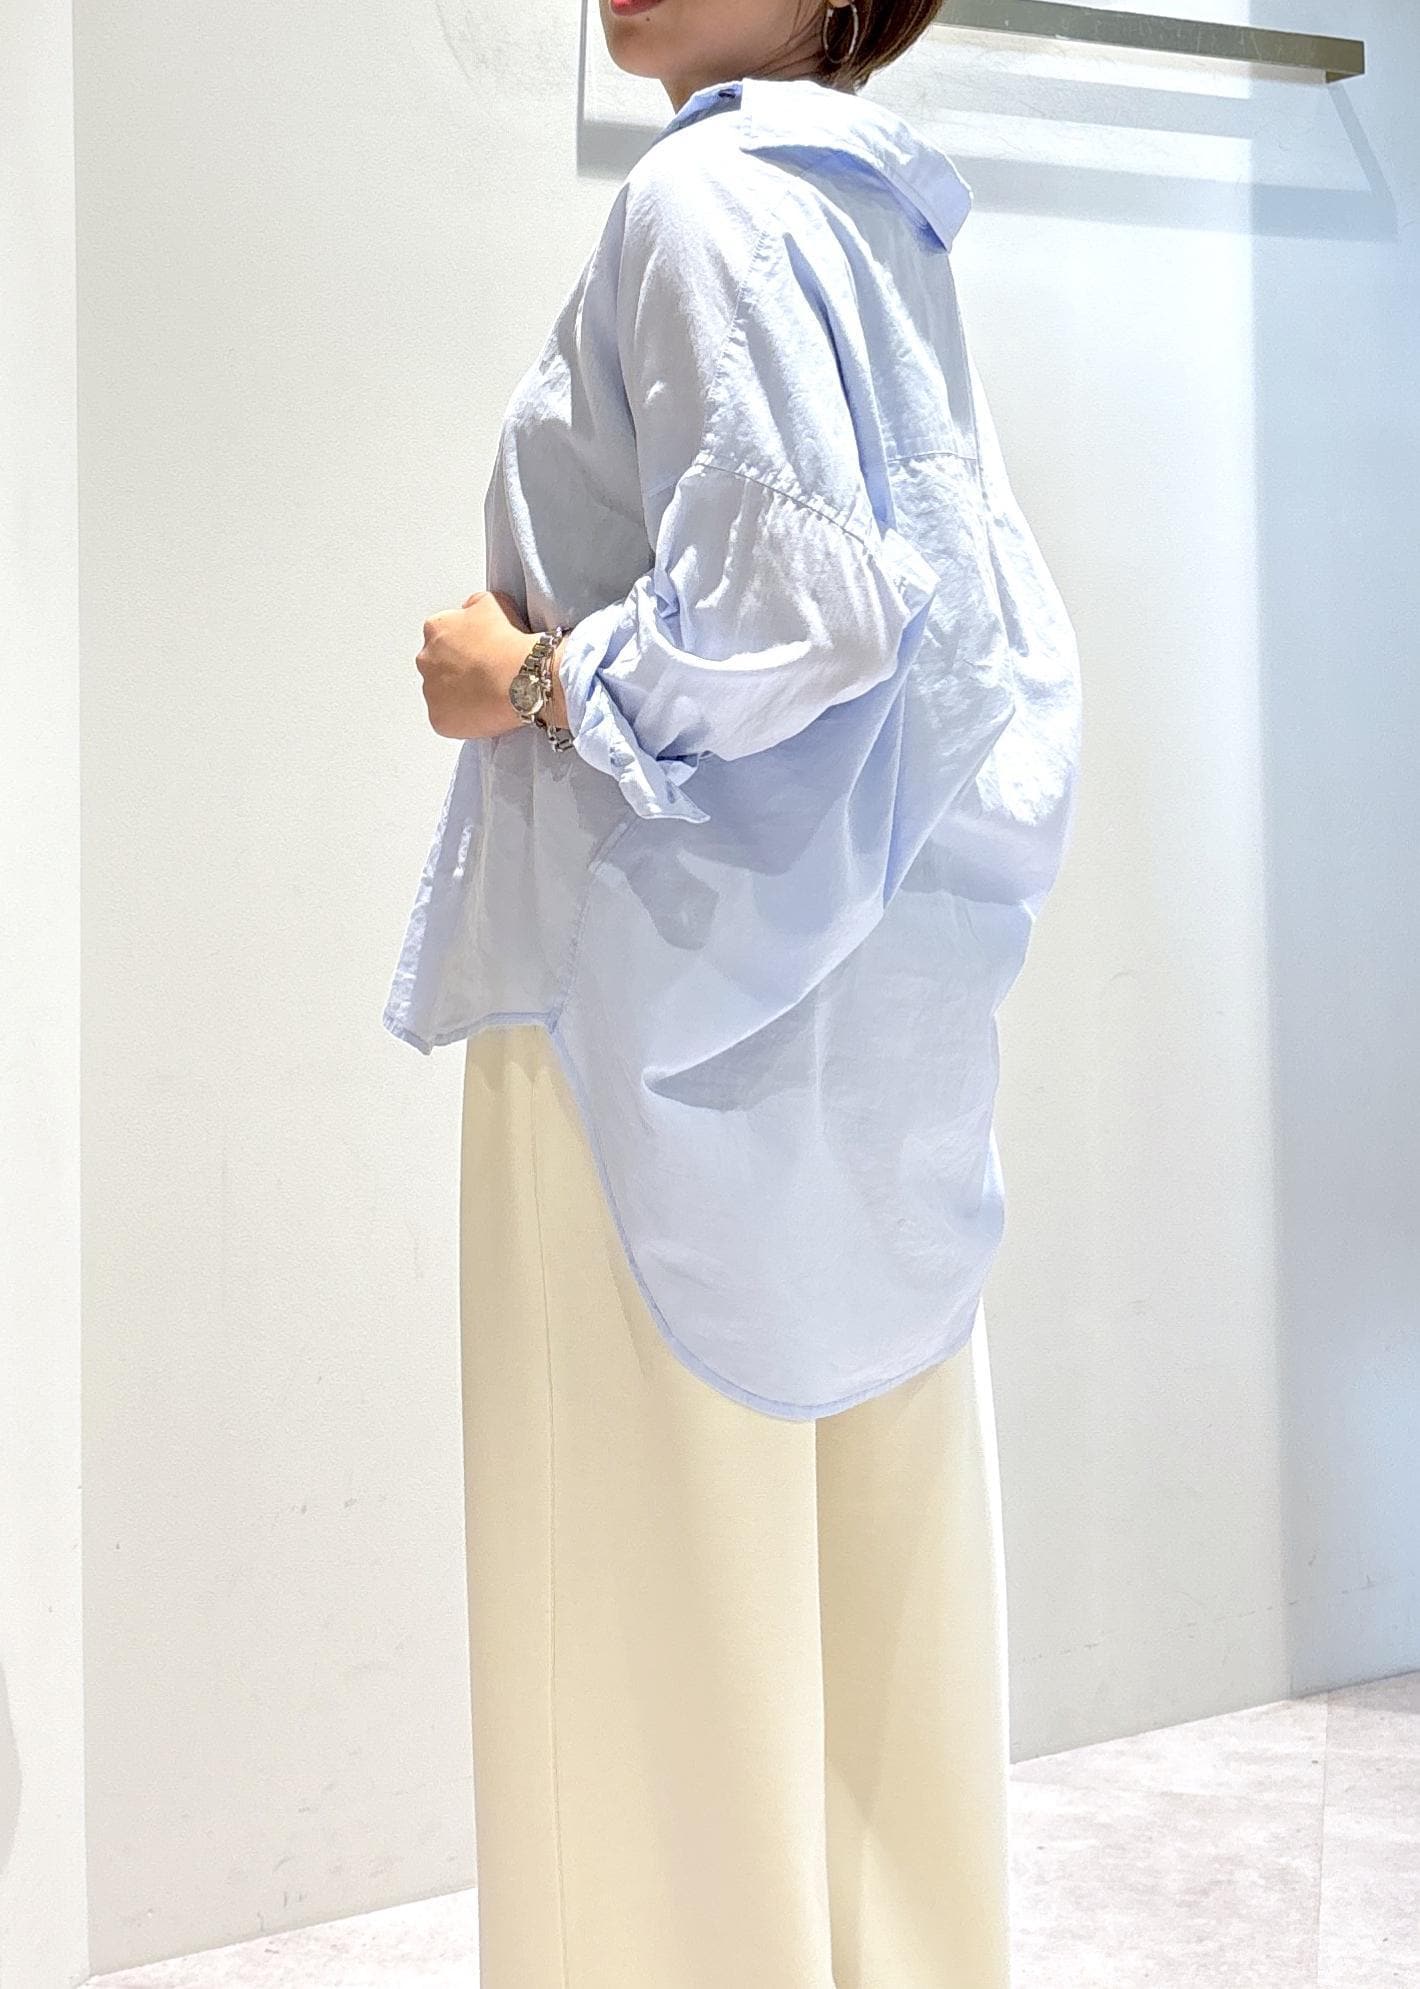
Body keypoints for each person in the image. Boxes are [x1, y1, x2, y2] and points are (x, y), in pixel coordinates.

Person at [386, 2, 1082, 1982]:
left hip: (638, 1009)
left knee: (629, 1641)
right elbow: (980, 648)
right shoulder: (877, 218)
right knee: (875, 1621)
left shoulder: (700, 199)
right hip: (860, 1028)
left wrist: (520, 677)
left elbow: (800, 613)